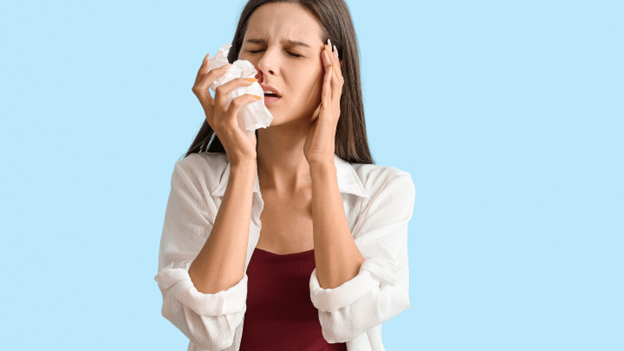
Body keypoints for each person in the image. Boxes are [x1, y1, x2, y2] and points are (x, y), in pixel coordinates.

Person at [153, 0, 416, 350]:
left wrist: (321, 162)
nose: (265, 65)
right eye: (255, 48)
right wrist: (242, 166)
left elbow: (350, 317)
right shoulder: (197, 179)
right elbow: (207, 329)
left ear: (334, 72)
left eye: (293, 53)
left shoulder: (384, 191)